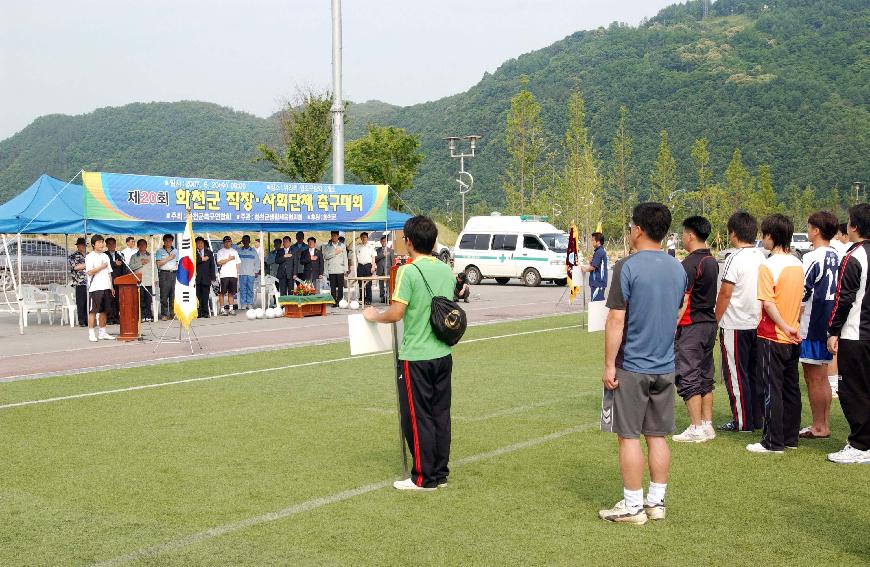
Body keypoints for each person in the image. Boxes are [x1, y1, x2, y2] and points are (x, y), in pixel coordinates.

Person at [599, 202, 687, 524]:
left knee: (628, 435)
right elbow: (678, 311)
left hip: (633, 365)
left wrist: (609, 364)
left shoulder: (627, 267)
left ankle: (633, 506)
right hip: (665, 364)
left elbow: (615, 320)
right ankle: (656, 503)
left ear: (638, 229)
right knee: (657, 436)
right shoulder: (677, 268)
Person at [363, 215, 456, 491]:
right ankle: (439, 473)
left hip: (416, 354)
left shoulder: (409, 272)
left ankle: (422, 477)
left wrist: (373, 314)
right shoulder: (446, 270)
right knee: (440, 414)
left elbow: (396, 313)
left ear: (410, 241)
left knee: (416, 416)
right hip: (442, 351)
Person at [747, 214, 804, 454]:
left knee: (772, 388)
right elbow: (800, 302)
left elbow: (768, 304)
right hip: (793, 335)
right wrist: (793, 325)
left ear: (770, 236)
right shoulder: (797, 264)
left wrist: (784, 325)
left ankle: (772, 441)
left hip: (774, 335)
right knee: (791, 387)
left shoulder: (768, 265)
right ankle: (790, 437)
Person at [826, 204, 870, 464]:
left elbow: (843, 299)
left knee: (852, 389)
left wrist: (833, 331)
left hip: (856, 333)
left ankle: (861, 444)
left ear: (853, 226)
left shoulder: (853, 256)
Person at [716, 212, 766, 432]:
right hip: (757, 322)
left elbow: (725, 293)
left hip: (735, 324)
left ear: (733, 234)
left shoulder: (734, 258)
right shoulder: (761, 257)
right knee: (755, 374)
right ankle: (757, 418)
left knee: (736, 375)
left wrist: (714, 320)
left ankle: (743, 421)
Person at [673, 216, 720, 443]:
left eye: (683, 233)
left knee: (688, 374)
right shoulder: (712, 261)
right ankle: (707, 424)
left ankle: (696, 426)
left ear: (690, 235)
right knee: (704, 375)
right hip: (709, 324)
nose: (682, 237)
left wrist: (671, 327)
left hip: (692, 326)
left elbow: (683, 300)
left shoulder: (690, 264)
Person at [797, 211, 840, 440]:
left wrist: (794, 318)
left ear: (816, 230)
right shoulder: (838, 255)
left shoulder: (812, 258)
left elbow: (803, 292)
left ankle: (819, 426)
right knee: (821, 376)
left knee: (813, 376)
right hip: (830, 323)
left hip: (813, 324)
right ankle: (823, 424)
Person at [827, 222, 851, 398]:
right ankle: (837, 382)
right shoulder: (846, 249)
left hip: (836, 302)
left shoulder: (843, 249)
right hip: (848, 305)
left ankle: (834, 383)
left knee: (833, 343)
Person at [84, 235, 116, 342]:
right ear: (93, 244)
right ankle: (91, 333)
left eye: (102, 242)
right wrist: (100, 267)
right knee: (93, 311)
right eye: (99, 242)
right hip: (95, 288)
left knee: (104, 311)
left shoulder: (106, 256)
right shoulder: (90, 256)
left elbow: (109, 273)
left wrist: (111, 286)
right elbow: (89, 272)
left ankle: (102, 332)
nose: (101, 244)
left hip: (106, 286)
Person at [129, 239, 154, 322]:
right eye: (140, 244)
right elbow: (130, 267)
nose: (142, 246)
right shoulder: (134, 256)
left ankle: (149, 315)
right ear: (138, 246)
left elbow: (155, 269)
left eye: (144, 244)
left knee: (148, 300)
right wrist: (141, 263)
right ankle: (142, 315)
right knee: (140, 300)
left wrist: (155, 280)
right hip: (139, 281)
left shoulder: (151, 256)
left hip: (149, 281)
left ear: (146, 246)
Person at [215, 236, 241, 316]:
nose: (228, 243)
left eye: (229, 241)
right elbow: (219, 262)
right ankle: (222, 309)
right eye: (226, 241)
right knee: (222, 292)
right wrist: (229, 259)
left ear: (231, 242)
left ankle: (231, 309)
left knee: (231, 293)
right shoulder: (220, 252)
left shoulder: (235, 251)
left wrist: (237, 274)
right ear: (223, 243)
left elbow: (238, 263)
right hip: (224, 275)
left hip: (233, 274)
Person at [155, 234, 178, 321]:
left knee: (173, 295)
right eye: (166, 241)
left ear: (172, 241)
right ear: (163, 241)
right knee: (164, 295)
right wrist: (169, 258)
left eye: (170, 241)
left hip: (174, 273)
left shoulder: (176, 251)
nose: (168, 242)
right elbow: (158, 263)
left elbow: (177, 262)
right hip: (164, 274)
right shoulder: (159, 251)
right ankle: (164, 314)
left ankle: (173, 313)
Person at [581, 232, 608, 301]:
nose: (591, 242)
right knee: (597, 303)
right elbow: (594, 265)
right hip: (598, 282)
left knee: (597, 303)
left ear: (598, 242)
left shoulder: (599, 252)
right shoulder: (599, 251)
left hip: (598, 282)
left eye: (593, 240)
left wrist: (583, 268)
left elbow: (592, 267)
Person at [324, 231, 348, 306]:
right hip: (331, 269)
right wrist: (335, 253)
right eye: (332, 236)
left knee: (340, 286)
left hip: (340, 269)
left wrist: (346, 269)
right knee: (333, 286)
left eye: (335, 236)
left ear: (338, 236)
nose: (334, 237)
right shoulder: (328, 246)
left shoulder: (342, 245)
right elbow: (325, 256)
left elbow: (345, 258)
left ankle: (340, 301)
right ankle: (333, 301)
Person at [68, 237, 88, 327]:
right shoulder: (73, 256)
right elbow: (75, 267)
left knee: (89, 302)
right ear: (78, 246)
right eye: (81, 245)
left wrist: (82, 265)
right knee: (81, 302)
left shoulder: (89, 255)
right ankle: (82, 321)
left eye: (84, 245)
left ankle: (88, 319)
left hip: (90, 282)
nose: (83, 246)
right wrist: (86, 265)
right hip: (80, 282)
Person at [104, 237, 125, 325]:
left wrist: (123, 279)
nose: (112, 245)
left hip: (119, 280)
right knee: (109, 300)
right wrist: (114, 264)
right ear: (107, 245)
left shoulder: (120, 254)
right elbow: (105, 265)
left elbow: (123, 266)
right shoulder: (104, 255)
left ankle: (117, 317)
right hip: (108, 280)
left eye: (113, 244)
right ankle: (109, 318)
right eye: (110, 244)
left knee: (117, 300)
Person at [194, 237, 215, 318]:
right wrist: (202, 259)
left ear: (204, 244)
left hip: (206, 277)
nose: (200, 245)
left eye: (201, 243)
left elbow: (212, 265)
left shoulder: (209, 252)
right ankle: (198, 313)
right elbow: (194, 261)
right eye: (198, 243)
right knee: (197, 296)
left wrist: (213, 277)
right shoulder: (193, 252)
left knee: (205, 296)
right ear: (195, 244)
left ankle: (205, 312)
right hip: (196, 278)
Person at [237, 235, 260, 309]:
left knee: (250, 289)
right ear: (242, 241)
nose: (245, 242)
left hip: (251, 273)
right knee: (242, 289)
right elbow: (232, 247)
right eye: (244, 240)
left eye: (247, 240)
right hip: (241, 273)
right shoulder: (239, 250)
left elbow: (257, 262)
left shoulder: (253, 251)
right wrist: (238, 243)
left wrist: (256, 271)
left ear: (249, 241)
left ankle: (250, 303)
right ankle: (243, 303)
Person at [355, 232, 376, 305]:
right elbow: (349, 248)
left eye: (365, 237)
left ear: (367, 238)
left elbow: (373, 257)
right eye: (362, 237)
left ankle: (369, 299)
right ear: (361, 238)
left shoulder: (371, 246)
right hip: (360, 266)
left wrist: (373, 266)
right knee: (360, 283)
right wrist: (355, 239)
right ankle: (362, 298)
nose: (364, 239)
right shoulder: (358, 246)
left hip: (368, 266)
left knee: (368, 284)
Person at [375, 235, 395, 303]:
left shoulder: (391, 250)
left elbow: (392, 261)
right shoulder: (377, 250)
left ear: (387, 242)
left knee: (388, 284)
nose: (384, 242)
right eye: (382, 241)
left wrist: (393, 270)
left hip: (388, 270)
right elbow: (375, 259)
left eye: (385, 241)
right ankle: (382, 297)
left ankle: (389, 297)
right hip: (380, 270)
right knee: (381, 285)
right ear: (380, 242)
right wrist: (383, 255)